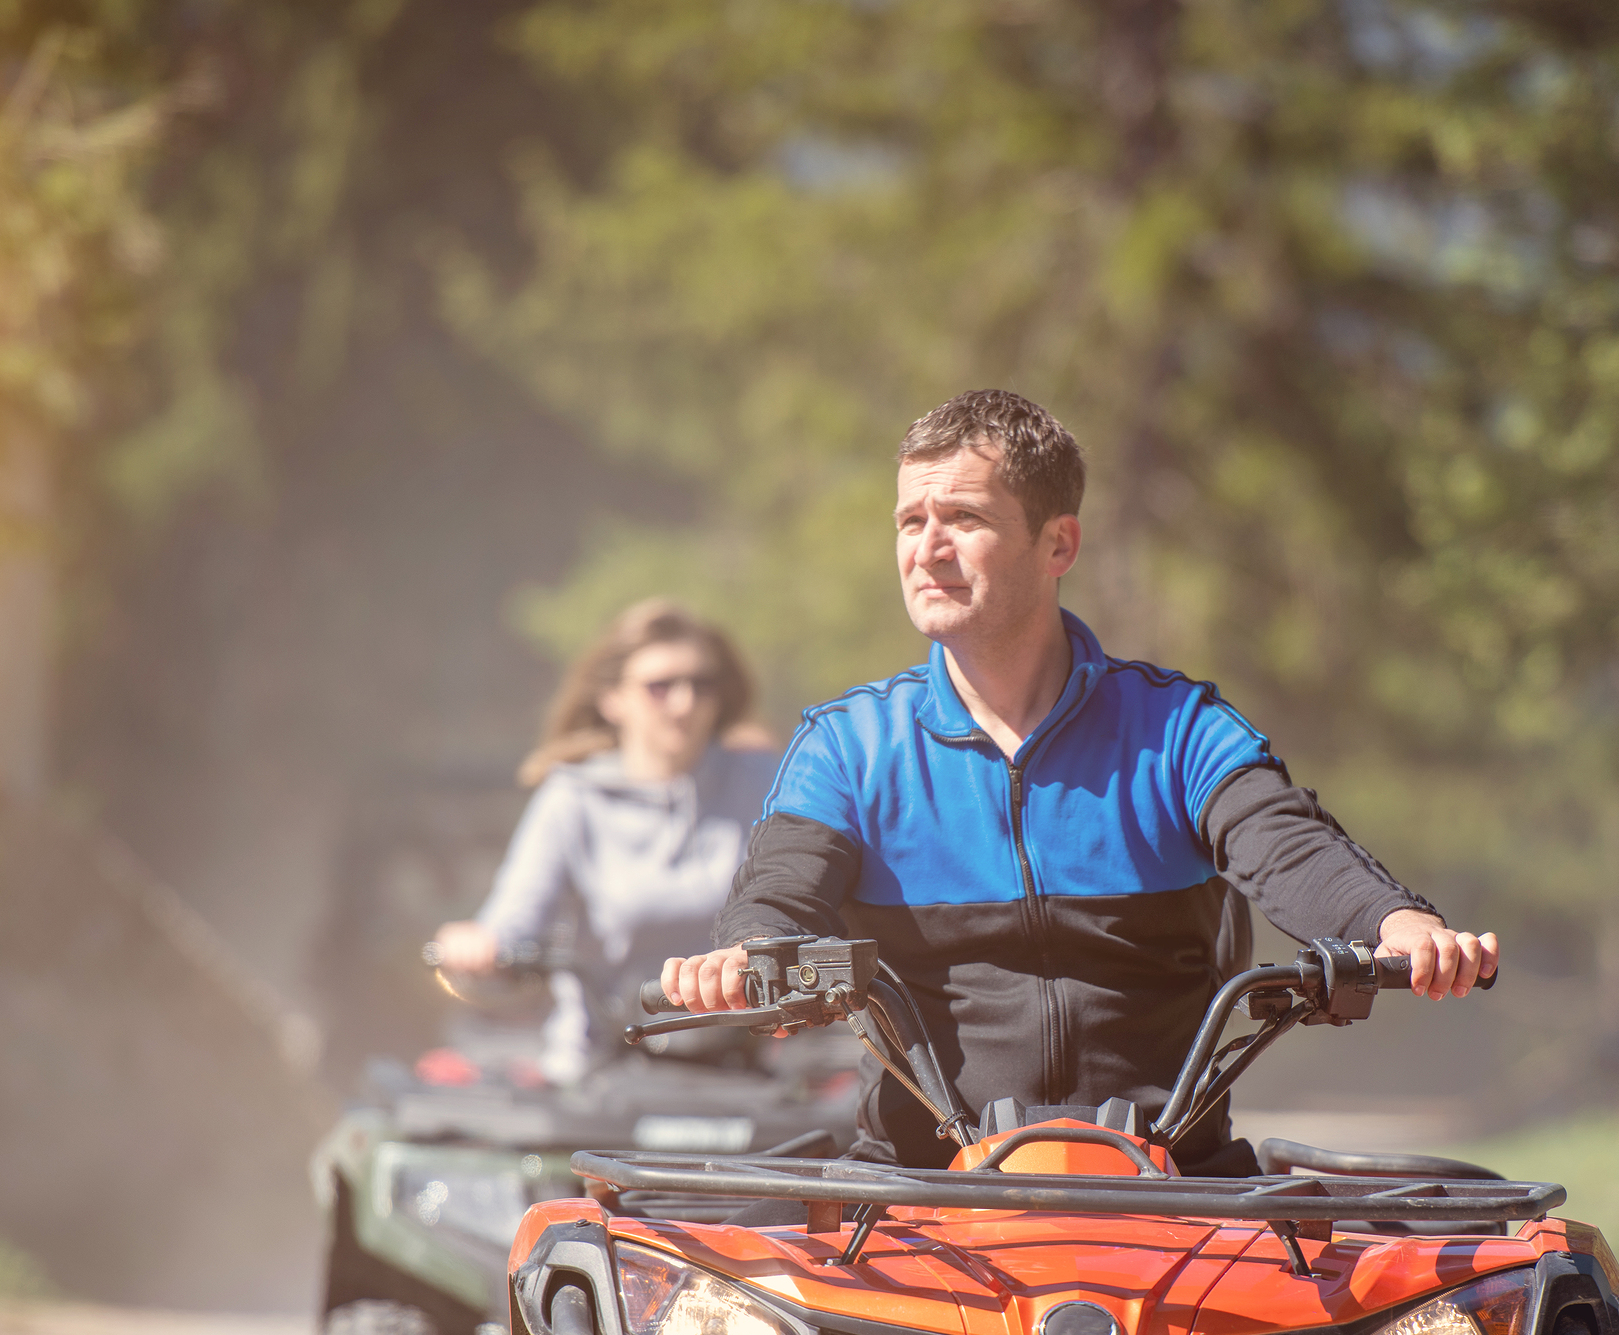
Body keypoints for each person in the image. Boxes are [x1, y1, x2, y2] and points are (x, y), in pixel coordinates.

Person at [661, 389, 1495, 1171]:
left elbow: (1288, 847)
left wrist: (1393, 922)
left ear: (1058, 543)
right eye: (911, 520)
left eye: (963, 518)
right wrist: (747, 953)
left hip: (1166, 1188)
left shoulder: (1178, 728)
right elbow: (780, 891)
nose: (927, 548)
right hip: (922, 1197)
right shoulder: (849, 746)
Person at [433, 599, 775, 1080]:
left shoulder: (765, 781)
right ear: (613, 698)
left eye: (701, 684)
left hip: (743, 1067)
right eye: (660, 686)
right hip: (603, 1065)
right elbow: (513, 923)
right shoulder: (571, 798)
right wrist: (477, 946)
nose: (685, 703)